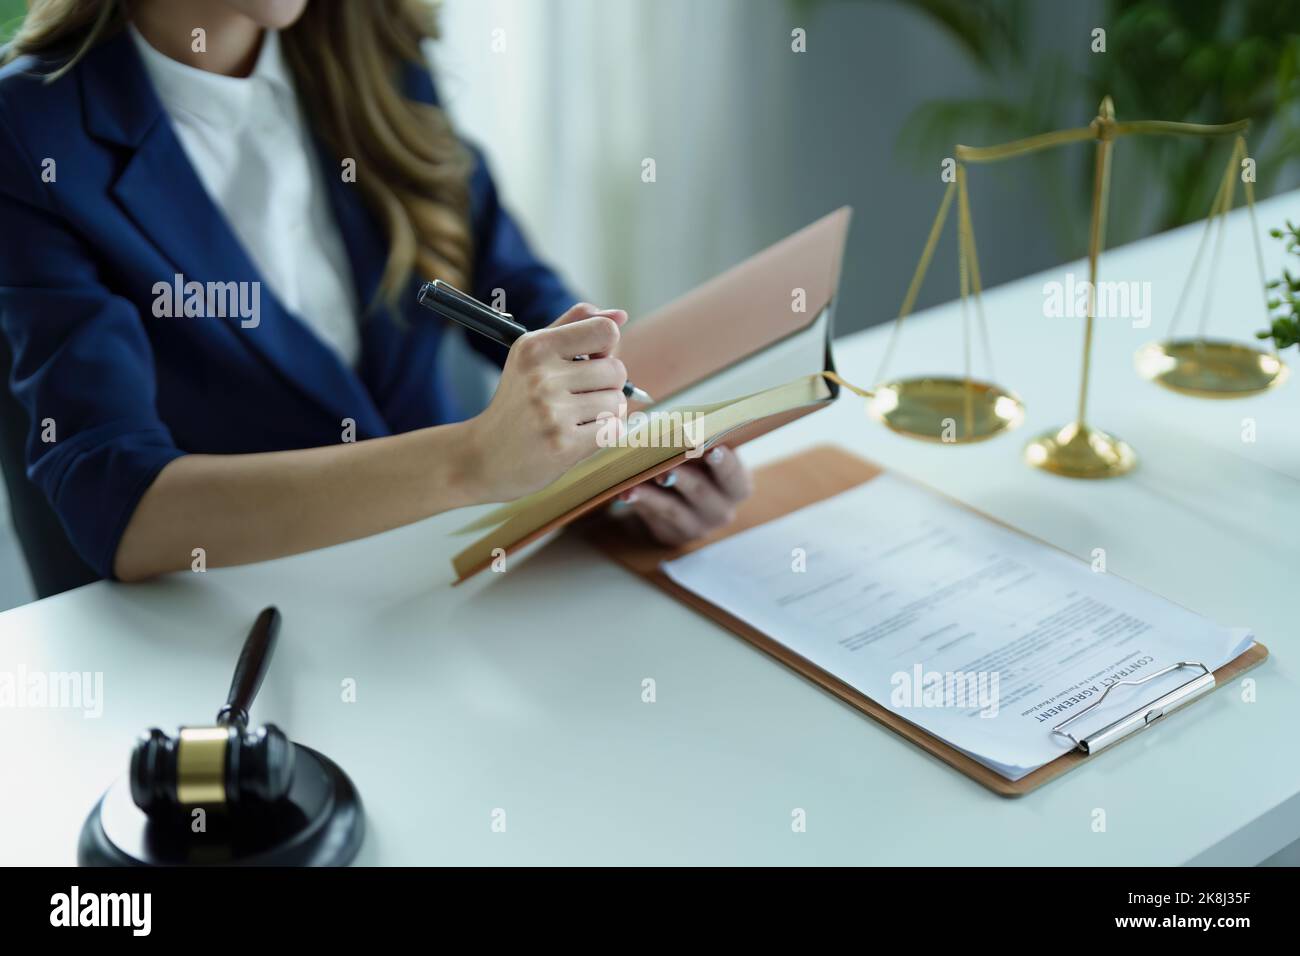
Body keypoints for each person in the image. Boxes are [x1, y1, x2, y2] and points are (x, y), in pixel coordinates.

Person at [0, 0, 752, 583]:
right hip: (254, 638)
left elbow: (517, 292)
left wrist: (632, 465)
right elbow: (119, 504)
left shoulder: (370, 43)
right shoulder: (33, 130)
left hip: (468, 588)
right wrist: (471, 462)